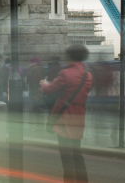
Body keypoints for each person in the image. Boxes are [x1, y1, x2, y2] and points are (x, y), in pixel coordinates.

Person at [41, 43, 92, 182]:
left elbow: (49, 89)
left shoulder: (65, 73)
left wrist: (43, 84)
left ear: (69, 56)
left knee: (66, 155)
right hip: (79, 116)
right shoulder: (88, 75)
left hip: (64, 117)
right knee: (76, 152)